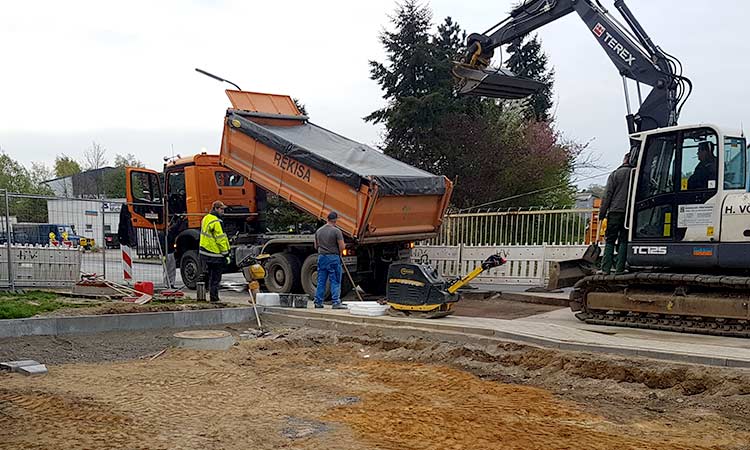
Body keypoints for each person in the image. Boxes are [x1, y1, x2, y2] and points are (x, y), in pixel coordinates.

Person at [599, 152, 632, 274]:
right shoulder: (636, 174)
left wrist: (602, 213)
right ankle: (620, 268)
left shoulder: (615, 174)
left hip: (614, 211)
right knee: (624, 239)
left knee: (610, 239)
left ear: (624, 160)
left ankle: (605, 269)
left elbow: (607, 195)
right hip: (630, 213)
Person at [314, 211, 347, 309]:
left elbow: (316, 246)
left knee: (321, 281)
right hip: (333, 258)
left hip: (322, 257)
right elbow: (341, 247)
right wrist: (341, 250)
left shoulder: (319, 231)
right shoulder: (336, 231)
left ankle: (318, 302)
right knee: (335, 280)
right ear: (335, 220)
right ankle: (336, 302)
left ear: (327, 219)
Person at [199, 201, 231, 302]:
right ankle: (214, 297)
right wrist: (226, 253)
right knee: (216, 278)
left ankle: (207, 295)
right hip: (215, 253)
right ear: (216, 209)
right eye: (221, 209)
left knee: (209, 275)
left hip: (205, 251)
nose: (223, 211)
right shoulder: (216, 222)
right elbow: (220, 239)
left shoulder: (206, 218)